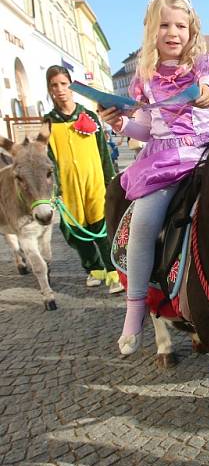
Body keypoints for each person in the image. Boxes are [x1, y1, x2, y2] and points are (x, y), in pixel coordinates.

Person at [100, 0, 209, 356]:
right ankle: (136, 304)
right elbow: (145, 127)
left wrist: (205, 93)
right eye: (164, 26)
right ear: (151, 32)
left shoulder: (206, 63)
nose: (173, 33)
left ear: (192, 30)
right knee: (143, 222)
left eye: (180, 26)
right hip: (164, 161)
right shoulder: (145, 79)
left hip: (207, 155)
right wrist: (120, 123)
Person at [43, 65, 122, 294]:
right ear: (50, 89)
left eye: (63, 84)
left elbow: (103, 152)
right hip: (67, 187)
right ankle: (93, 268)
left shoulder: (88, 116)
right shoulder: (48, 122)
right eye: (54, 85)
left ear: (71, 86)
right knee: (75, 229)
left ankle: (113, 270)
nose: (60, 90)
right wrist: (53, 187)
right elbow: (47, 157)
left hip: (94, 182)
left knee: (102, 225)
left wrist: (110, 179)